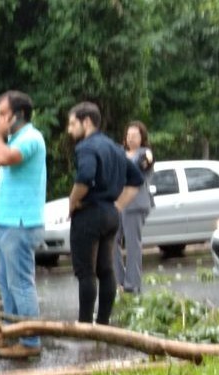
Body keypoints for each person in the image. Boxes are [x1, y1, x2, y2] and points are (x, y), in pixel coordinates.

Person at [65, 102, 144, 325]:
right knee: (106, 270)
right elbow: (136, 179)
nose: (70, 130)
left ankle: (84, 326)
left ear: (86, 122)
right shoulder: (115, 149)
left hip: (89, 215)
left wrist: (72, 202)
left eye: (73, 124)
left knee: (86, 272)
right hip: (110, 215)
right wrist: (117, 205)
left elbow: (85, 177)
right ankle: (103, 324)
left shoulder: (87, 147)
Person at [0, 90, 48, 359]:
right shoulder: (14, 138)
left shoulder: (31, 138)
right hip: (6, 223)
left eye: (3, 114)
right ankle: (13, 334)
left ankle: (30, 341)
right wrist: (0, 135)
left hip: (21, 225)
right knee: (5, 280)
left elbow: (2, 157)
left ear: (18, 115)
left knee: (21, 283)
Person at [114, 121, 155, 294]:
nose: (131, 139)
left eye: (135, 136)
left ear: (142, 138)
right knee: (110, 241)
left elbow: (142, 164)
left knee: (132, 243)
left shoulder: (146, 153)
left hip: (136, 203)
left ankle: (132, 284)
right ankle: (119, 280)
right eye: (128, 135)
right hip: (117, 202)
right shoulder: (120, 153)